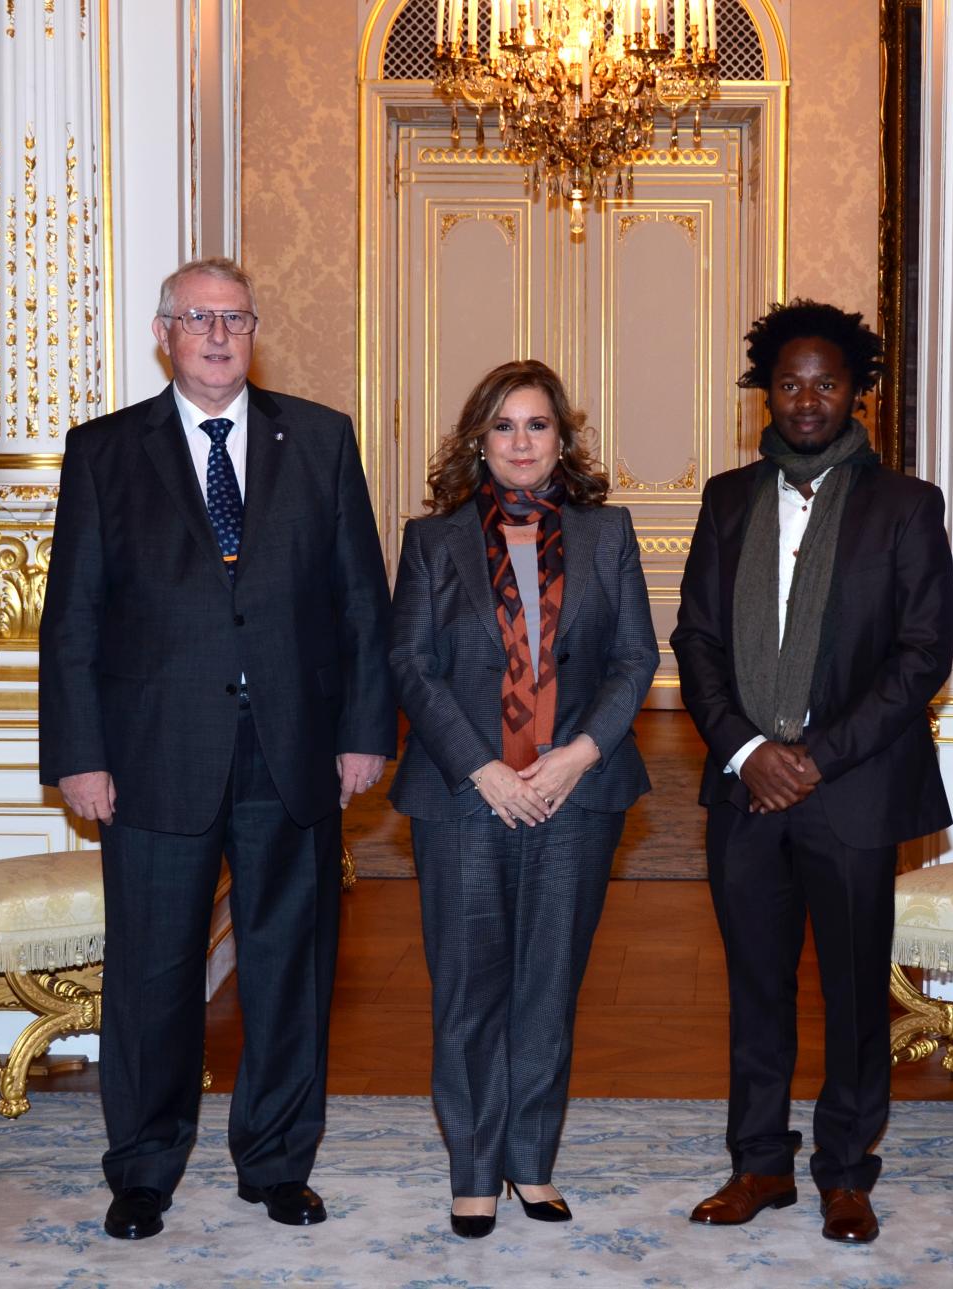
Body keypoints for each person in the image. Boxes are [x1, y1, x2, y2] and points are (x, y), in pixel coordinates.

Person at [39, 256, 396, 1241]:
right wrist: (79, 752)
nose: (216, 333)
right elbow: (72, 617)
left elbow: (361, 603)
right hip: (151, 754)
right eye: (196, 317)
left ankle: (278, 1161)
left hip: (294, 753)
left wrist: (366, 731)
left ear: (253, 330)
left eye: (233, 317)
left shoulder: (319, 439)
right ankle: (142, 1170)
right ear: (164, 332)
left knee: (290, 966)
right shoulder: (105, 451)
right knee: (153, 974)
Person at [673, 301, 953, 1245]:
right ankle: (759, 1163)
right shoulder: (725, 498)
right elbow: (698, 641)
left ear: (856, 390)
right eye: (789, 382)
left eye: (825, 382)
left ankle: (845, 1171)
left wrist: (815, 757)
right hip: (746, 787)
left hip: (855, 789)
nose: (806, 399)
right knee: (755, 983)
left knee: (851, 990)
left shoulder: (907, 506)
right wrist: (750, 751)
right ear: (767, 389)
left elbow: (922, 656)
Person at [388, 359, 657, 1239]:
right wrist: (485, 769)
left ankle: (531, 1161)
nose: (521, 443)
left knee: (548, 985)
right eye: (503, 426)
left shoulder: (607, 533)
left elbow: (634, 659)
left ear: (562, 439)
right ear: (479, 439)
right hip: (466, 795)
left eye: (537, 425)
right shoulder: (431, 542)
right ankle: (473, 1167)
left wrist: (576, 756)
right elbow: (411, 668)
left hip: (576, 795)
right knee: (469, 989)